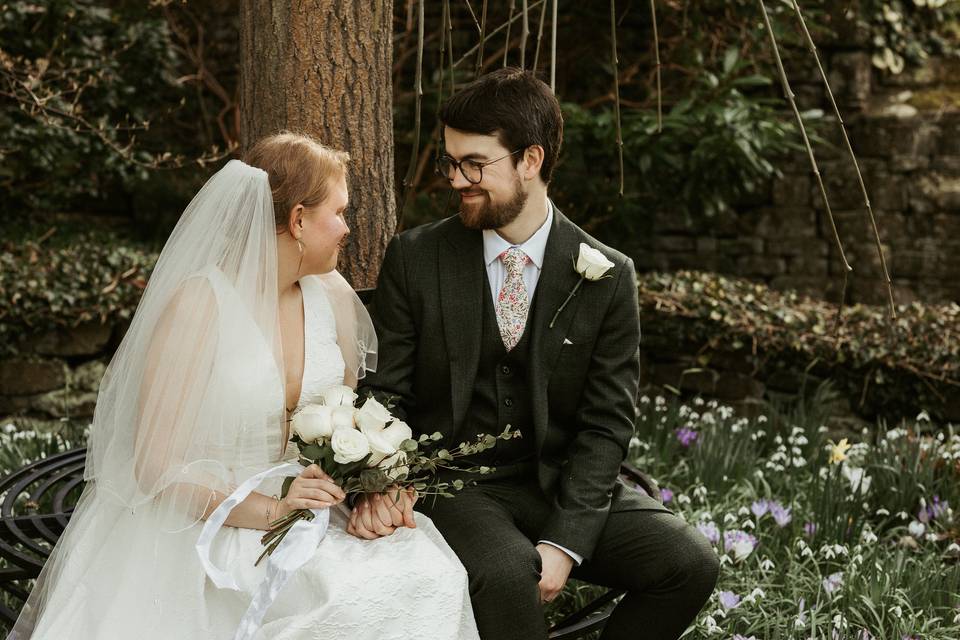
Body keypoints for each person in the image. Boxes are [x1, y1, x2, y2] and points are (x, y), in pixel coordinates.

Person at [9, 132, 479, 640]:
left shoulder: (334, 296)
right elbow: (153, 466)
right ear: (298, 220)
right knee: (338, 607)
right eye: (340, 212)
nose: (347, 228)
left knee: (428, 577)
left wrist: (368, 488)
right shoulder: (198, 308)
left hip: (315, 512)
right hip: (206, 524)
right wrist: (273, 510)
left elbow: (348, 417)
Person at [355, 69, 720, 640]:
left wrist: (566, 541)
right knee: (506, 572)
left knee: (688, 562)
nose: (457, 180)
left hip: (557, 483)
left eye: (475, 164)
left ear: (531, 159)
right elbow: (386, 394)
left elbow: (606, 424)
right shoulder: (417, 257)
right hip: (457, 486)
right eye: (451, 162)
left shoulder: (608, 275)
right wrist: (382, 482)